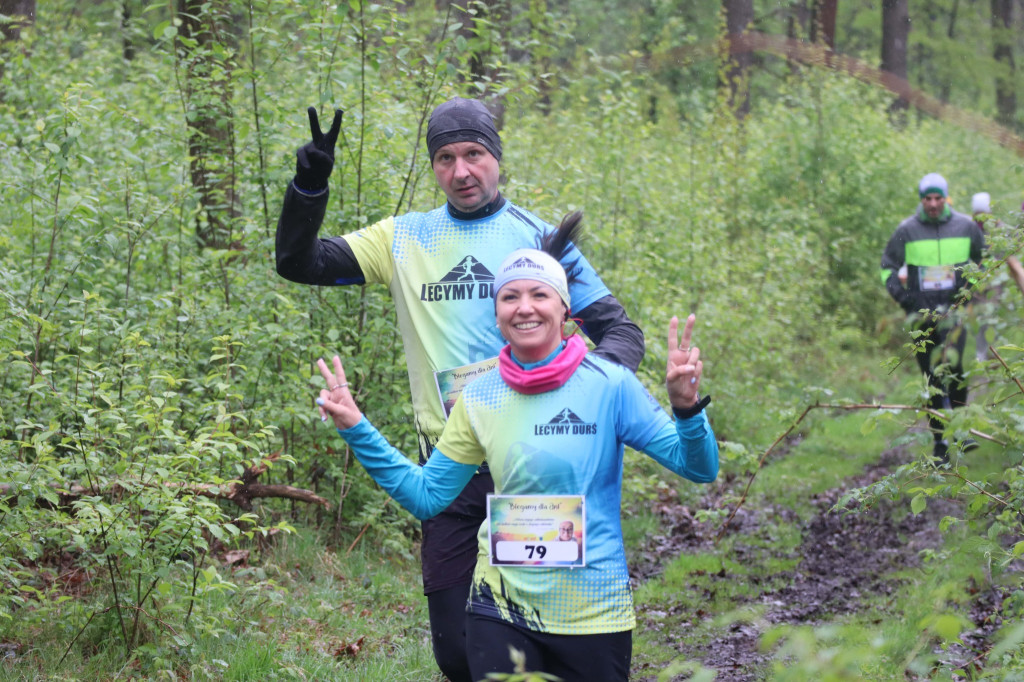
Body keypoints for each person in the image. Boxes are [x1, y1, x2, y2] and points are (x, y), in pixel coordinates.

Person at [275, 97, 646, 681]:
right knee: (455, 653)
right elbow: (298, 262)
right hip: (445, 464)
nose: (461, 171)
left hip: (525, 463)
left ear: (496, 158)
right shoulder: (403, 238)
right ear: (434, 168)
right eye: (445, 158)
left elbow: (620, 333)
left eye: (474, 154)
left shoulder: (538, 240)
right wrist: (309, 184)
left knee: (537, 642)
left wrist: (578, 392)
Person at [311, 221, 718, 680]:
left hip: (592, 612)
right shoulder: (480, 398)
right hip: (499, 608)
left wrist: (687, 410)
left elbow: (698, 467)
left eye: (539, 295)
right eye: (510, 297)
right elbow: (427, 496)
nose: (525, 308)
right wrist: (357, 426)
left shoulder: (609, 385)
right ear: (498, 314)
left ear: (565, 311)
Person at [881, 173, 985, 463]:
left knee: (954, 368)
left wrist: (969, 289)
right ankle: (940, 444)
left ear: (946, 198)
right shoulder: (907, 229)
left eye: (938, 198)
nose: (933, 204)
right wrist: (904, 298)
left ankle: (962, 433)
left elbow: (985, 259)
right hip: (921, 317)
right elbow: (887, 267)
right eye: (928, 198)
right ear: (921, 200)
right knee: (931, 377)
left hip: (955, 313)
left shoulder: (965, 226)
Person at [971, 192, 1024, 362]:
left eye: (983, 213)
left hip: (995, 282)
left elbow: (1012, 250)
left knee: (992, 315)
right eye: (977, 213)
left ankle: (993, 350)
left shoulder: (999, 228)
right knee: (981, 317)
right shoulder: (970, 228)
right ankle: (982, 352)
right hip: (975, 281)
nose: (980, 217)